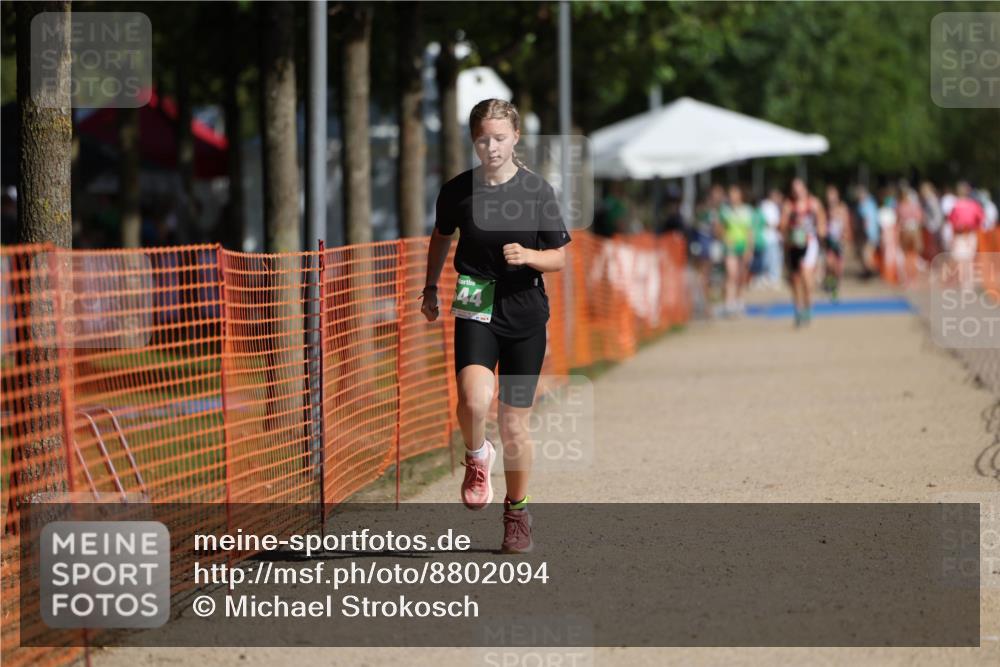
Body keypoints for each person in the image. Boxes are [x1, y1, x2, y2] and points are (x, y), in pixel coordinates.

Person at [421, 98, 570, 554]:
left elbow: (559, 256)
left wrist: (529, 257)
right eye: (483, 138)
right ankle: (475, 456)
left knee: (513, 425)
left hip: (525, 313)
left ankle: (517, 513)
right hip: (475, 302)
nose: (491, 147)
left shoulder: (537, 191)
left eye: (499, 138)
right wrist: (430, 287)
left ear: (515, 138)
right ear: (473, 139)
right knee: (472, 399)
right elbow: (441, 236)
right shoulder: (457, 191)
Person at [780, 178, 826, 327]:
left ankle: (808, 308)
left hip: (809, 242)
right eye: (794, 189)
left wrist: (821, 230)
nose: (797, 192)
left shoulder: (813, 203)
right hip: (794, 244)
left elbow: (821, 219)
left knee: (806, 277)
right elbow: (782, 225)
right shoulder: (789, 206)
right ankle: (798, 309)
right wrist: (788, 227)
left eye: (799, 188)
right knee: (795, 280)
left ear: (805, 188)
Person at [718, 184, 754, 315]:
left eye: (735, 193)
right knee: (731, 274)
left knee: (741, 275)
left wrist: (750, 248)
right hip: (730, 246)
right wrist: (724, 238)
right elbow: (719, 228)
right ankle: (729, 302)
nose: (733, 196)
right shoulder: (725, 211)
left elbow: (750, 231)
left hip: (743, 245)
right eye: (731, 194)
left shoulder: (747, 211)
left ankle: (739, 300)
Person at [947, 181, 985, 289]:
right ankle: (967, 282)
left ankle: (965, 281)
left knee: (962, 258)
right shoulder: (973, 205)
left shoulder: (956, 205)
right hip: (969, 234)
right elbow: (981, 219)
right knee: (968, 258)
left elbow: (952, 221)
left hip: (962, 234)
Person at [823, 185, 849, 301]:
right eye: (829, 195)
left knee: (839, 267)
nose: (831, 198)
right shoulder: (826, 209)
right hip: (830, 240)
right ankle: (830, 284)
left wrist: (845, 237)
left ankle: (835, 288)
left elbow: (847, 224)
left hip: (840, 240)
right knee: (829, 263)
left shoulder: (842, 208)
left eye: (832, 195)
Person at [758, 188, 784, 287]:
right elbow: (766, 222)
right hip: (767, 237)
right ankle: (766, 277)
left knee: (775, 259)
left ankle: (773, 278)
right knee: (767, 259)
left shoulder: (775, 206)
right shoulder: (765, 205)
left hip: (775, 237)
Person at [855, 185, 880, 278]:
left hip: (869, 234)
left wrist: (864, 232)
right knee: (865, 254)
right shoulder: (869, 203)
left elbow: (866, 220)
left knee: (866, 254)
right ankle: (868, 272)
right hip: (870, 233)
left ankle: (873, 271)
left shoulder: (865, 205)